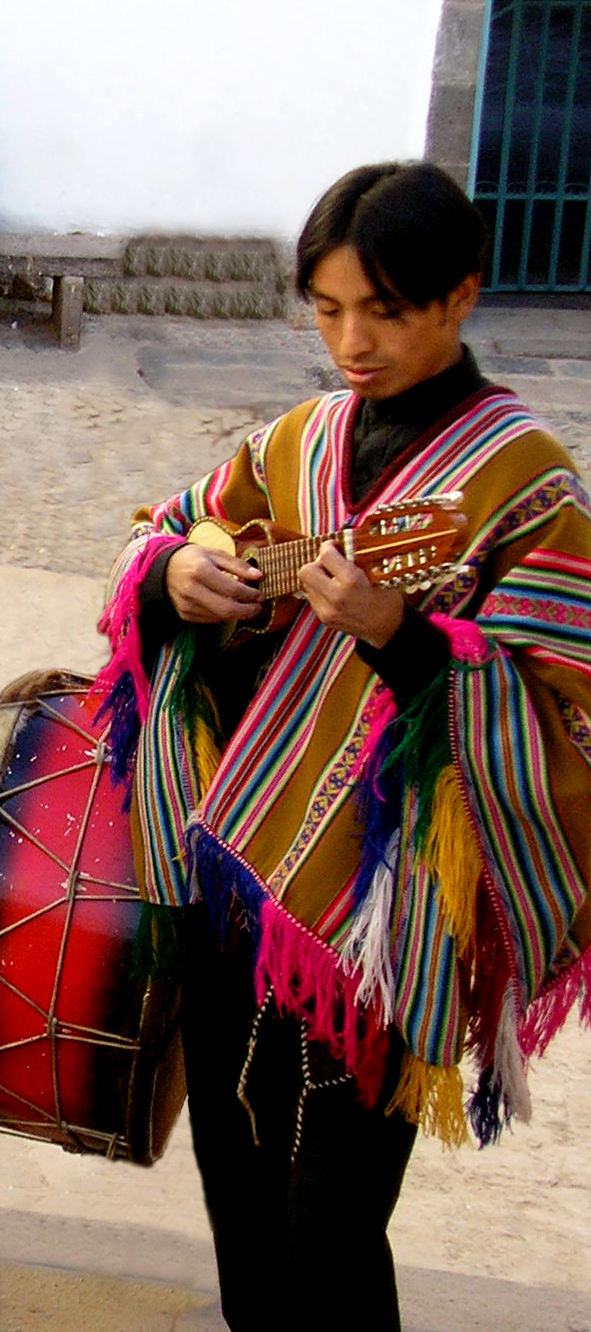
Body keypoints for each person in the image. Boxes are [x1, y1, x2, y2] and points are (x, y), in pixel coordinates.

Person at [93, 161, 591, 1332]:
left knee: (334, 1208)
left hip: (393, 906)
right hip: (236, 873)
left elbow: (566, 721)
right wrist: (181, 573)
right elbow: (165, 530)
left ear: (461, 296)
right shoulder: (302, 439)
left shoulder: (528, 485)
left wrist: (409, 642)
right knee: (237, 1176)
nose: (351, 340)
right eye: (326, 309)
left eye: (385, 309)